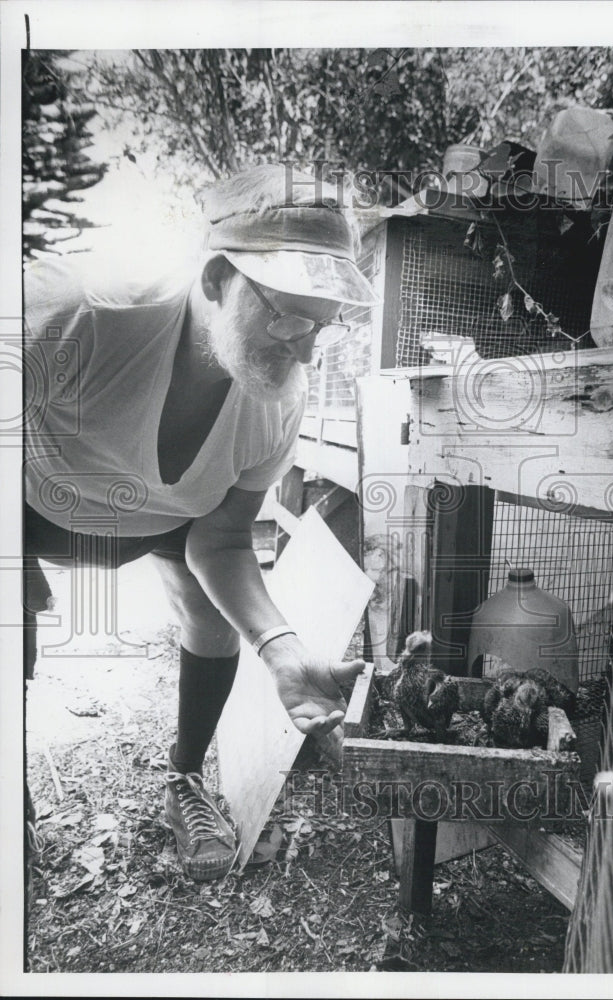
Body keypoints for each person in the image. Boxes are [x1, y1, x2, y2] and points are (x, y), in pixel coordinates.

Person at [23, 164, 377, 881]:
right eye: (288, 317)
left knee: (209, 610)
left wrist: (281, 649)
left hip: (168, 520)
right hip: (34, 505)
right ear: (216, 278)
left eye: (322, 324)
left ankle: (184, 780)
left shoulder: (279, 397)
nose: (305, 350)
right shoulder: (71, 313)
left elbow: (220, 537)